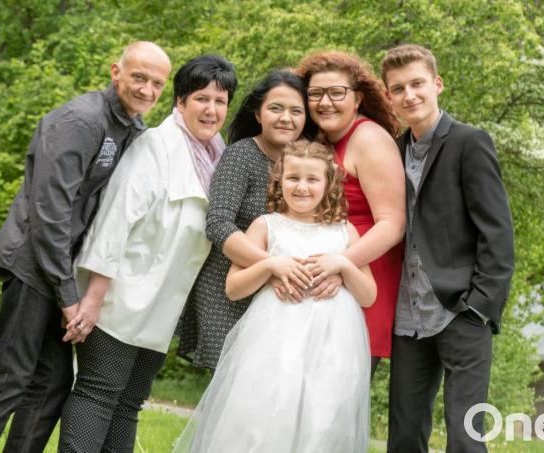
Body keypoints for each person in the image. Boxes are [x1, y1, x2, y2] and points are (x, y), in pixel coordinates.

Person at [0, 41, 171, 453]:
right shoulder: (81, 120)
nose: (147, 90)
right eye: (139, 77)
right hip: (32, 262)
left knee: (52, 383)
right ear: (116, 72)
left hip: (63, 268)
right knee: (10, 377)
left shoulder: (133, 129)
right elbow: (50, 213)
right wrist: (68, 297)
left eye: (157, 83)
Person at [55, 54, 237, 453]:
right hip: (119, 297)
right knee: (98, 394)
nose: (211, 110)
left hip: (160, 304)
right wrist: (95, 297)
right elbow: (115, 221)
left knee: (128, 404)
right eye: (201, 99)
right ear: (180, 102)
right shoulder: (156, 146)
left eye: (220, 101)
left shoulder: (215, 156)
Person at [173, 139, 376, 453]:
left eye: (312, 179)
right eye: (293, 178)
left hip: (332, 344)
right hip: (274, 340)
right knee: (262, 415)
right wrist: (269, 265)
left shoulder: (345, 232)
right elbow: (234, 286)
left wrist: (344, 265)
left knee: (320, 420)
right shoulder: (266, 226)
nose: (302, 187)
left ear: (329, 184)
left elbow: (368, 295)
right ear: (280, 180)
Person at [381, 44, 515, 453]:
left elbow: (498, 233)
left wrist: (481, 306)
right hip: (408, 317)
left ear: (437, 84)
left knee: (465, 438)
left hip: (461, 311)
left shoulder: (469, 142)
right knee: (403, 437)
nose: (410, 95)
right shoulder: (391, 151)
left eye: (418, 84)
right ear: (389, 97)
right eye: (398, 88)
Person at [177, 69, 343, 370]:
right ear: (258, 113)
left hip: (284, 293)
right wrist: (272, 266)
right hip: (230, 290)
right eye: (275, 108)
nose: (286, 118)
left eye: (296, 111)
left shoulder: (309, 163)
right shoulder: (241, 155)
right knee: (236, 393)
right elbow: (219, 224)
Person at [296, 51, 406, 376]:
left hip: (363, 277)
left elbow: (392, 223)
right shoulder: (322, 140)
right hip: (327, 277)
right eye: (315, 94)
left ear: (357, 99)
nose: (325, 102)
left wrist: (341, 264)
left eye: (336, 93)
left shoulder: (369, 139)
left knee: (336, 394)